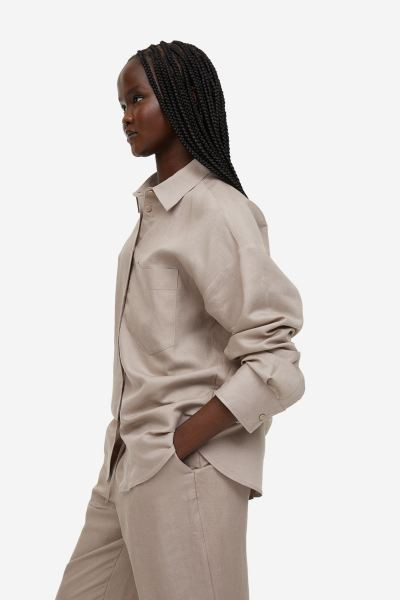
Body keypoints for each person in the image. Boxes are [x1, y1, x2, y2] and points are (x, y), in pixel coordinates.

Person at [55, 40, 305, 600]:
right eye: (122, 104)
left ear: (185, 97)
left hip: (182, 471)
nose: (126, 117)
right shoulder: (152, 216)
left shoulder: (215, 210)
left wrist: (185, 440)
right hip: (124, 465)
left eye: (137, 99)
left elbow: (276, 359)